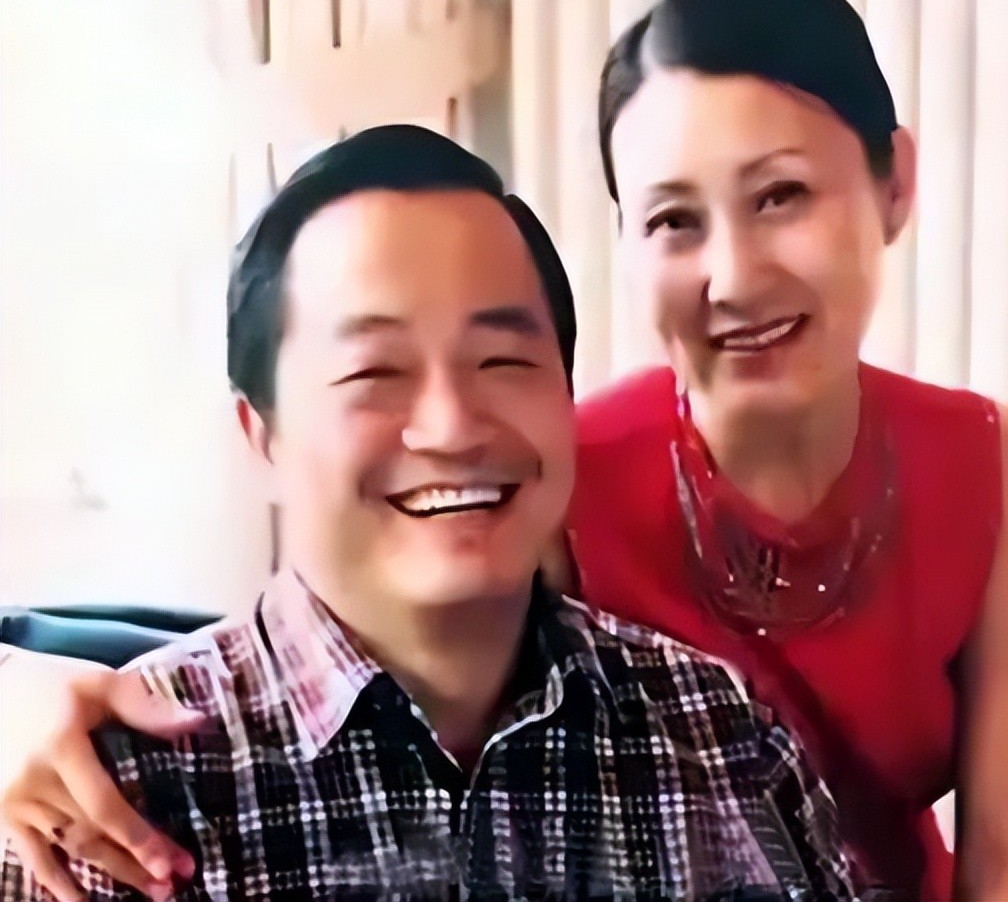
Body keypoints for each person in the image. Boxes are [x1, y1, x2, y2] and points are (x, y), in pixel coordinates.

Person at [1, 0, 1008, 902]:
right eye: (674, 220)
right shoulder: (554, 478)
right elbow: (368, 631)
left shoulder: (728, 714)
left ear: (894, 184)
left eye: (782, 196)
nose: (735, 277)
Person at [0, 125, 853, 902]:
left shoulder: (721, 735)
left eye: (503, 360)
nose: (452, 428)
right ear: (263, 437)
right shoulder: (110, 798)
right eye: (375, 372)